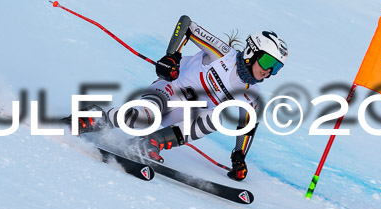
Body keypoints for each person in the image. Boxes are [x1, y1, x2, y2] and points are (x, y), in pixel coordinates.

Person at [68, 15, 287, 181]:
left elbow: (247, 127)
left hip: (183, 115)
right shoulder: (222, 54)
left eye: (275, 67)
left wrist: (238, 157)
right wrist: (172, 57)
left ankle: (150, 142)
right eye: (267, 62)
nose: (268, 71)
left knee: (216, 118)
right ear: (251, 52)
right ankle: (96, 117)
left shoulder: (251, 95)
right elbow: (186, 24)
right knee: (143, 117)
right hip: (169, 90)